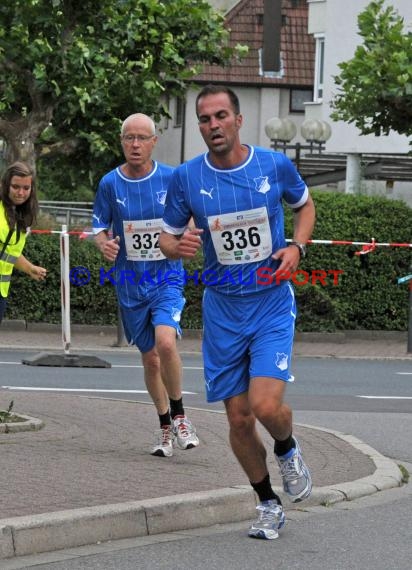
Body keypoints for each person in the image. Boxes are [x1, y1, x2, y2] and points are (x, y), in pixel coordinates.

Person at [159, 85, 315, 539]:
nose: (213, 126)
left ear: (238, 120)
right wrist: (178, 245)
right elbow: (167, 238)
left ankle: (287, 449)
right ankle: (267, 503)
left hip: (269, 304)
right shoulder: (187, 178)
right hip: (223, 311)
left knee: (266, 406)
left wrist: (297, 247)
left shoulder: (273, 165)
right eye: (205, 119)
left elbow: (304, 206)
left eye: (221, 116)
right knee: (239, 418)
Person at [93, 113, 199, 458]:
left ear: (154, 141)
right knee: (150, 360)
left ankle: (181, 416)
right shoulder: (110, 183)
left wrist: (189, 236)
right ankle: (165, 425)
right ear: (121, 141)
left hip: (167, 276)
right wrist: (104, 244)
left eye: (142, 138)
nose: (135, 145)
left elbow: (193, 215)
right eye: (129, 138)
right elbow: (99, 226)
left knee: (166, 343)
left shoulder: (172, 178)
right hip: (129, 283)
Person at [0, 161, 47, 324]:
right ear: (5, 185)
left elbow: (9, 253)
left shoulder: (22, 216)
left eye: (26, 188)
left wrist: (29, 268)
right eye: (15, 187)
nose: (21, 192)